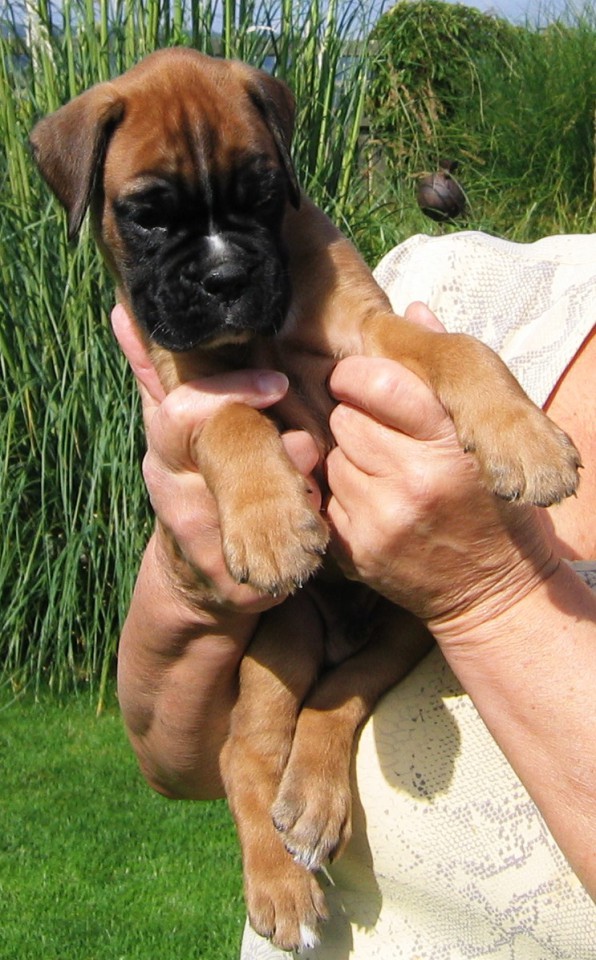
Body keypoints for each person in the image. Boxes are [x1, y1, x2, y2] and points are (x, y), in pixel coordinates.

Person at [113, 231, 596, 959]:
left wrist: (488, 591)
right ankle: (269, 833)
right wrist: (191, 580)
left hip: (371, 640)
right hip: (309, 607)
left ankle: (324, 731)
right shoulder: (445, 273)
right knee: (280, 679)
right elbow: (169, 761)